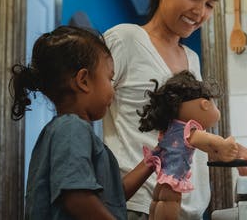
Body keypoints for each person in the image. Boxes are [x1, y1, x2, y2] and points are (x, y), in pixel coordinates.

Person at [103, 0, 247, 220]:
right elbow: (86, 107)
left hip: (189, 209)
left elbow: (185, 135)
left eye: (210, 4)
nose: (200, 12)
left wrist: (236, 153)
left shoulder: (191, 58)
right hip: (140, 207)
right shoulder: (124, 39)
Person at [10, 26, 153, 220]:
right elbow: (77, 198)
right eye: (110, 78)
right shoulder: (71, 129)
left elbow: (112, 197)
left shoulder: (67, 131)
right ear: (83, 80)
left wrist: (153, 159)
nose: (113, 89)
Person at [138, 70, 239, 220]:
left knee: (157, 203)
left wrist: (216, 151)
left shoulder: (171, 127)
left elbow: (205, 147)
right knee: (170, 205)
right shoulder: (189, 130)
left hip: (162, 181)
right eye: (214, 105)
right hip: (173, 181)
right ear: (204, 104)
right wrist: (224, 144)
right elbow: (210, 141)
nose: (216, 110)